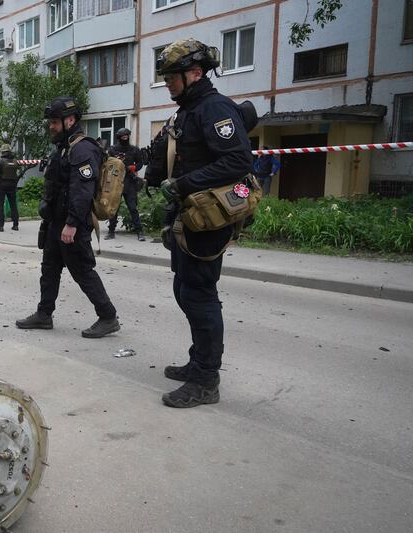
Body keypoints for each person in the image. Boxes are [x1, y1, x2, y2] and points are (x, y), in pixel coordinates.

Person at [151, 39, 253, 408]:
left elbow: (239, 161)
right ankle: (198, 362)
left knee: (199, 294)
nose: (167, 83)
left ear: (194, 73)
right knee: (184, 289)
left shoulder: (214, 108)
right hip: (188, 215)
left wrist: (183, 184)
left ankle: (207, 380)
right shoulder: (189, 110)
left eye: (171, 77)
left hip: (208, 219)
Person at [16, 97, 120, 339]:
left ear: (70, 120)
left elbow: (82, 191)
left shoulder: (82, 148)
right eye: (50, 122)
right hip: (56, 223)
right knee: (49, 269)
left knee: (82, 271)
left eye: (54, 122)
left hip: (71, 224)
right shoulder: (65, 146)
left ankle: (108, 316)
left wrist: (72, 224)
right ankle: (44, 314)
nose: (51, 126)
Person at [105, 128, 146, 241]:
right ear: (119, 137)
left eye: (127, 136)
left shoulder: (134, 149)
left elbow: (140, 163)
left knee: (133, 208)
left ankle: (139, 232)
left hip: (130, 182)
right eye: (123, 136)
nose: (125, 138)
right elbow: (108, 164)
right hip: (116, 182)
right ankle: (111, 231)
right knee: (114, 208)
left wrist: (133, 167)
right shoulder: (113, 150)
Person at [0, 144, 20, 232]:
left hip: (1, 186)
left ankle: (0, 226)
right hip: (12, 186)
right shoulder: (15, 161)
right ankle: (15, 225)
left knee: (1, 206)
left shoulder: (0, 161)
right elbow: (17, 174)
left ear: (3, 151)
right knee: (13, 205)